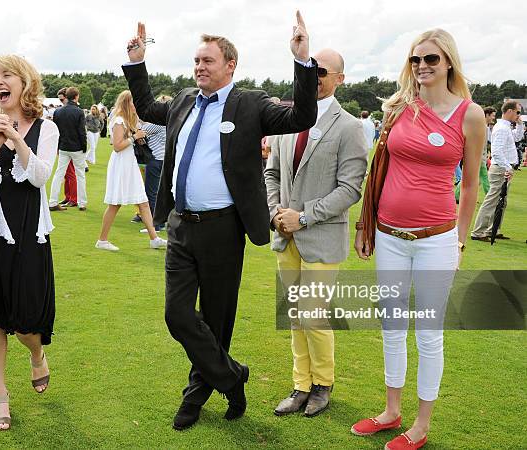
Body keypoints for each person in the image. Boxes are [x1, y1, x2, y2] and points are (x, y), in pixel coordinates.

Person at [122, 11, 317, 430]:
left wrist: (302, 61)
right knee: (177, 314)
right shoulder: (182, 102)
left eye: (208, 61)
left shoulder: (251, 104)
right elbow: (143, 106)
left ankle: (195, 397)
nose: (199, 68)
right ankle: (232, 377)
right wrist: (137, 63)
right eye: (196, 61)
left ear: (231, 65)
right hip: (180, 225)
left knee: (217, 319)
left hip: (224, 229)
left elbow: (301, 117)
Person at [352, 29, 485, 450]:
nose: (422, 66)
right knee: (392, 327)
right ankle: (392, 412)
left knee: (428, 332)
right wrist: (365, 225)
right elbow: (379, 173)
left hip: (436, 239)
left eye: (430, 59)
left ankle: (421, 425)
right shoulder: (396, 109)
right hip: (390, 236)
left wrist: (460, 242)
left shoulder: (470, 114)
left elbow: (469, 187)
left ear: (448, 62)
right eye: (415, 60)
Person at [265, 47, 368, 418]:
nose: (316, 75)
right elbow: (271, 174)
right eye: (311, 69)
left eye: (323, 70)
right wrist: (275, 210)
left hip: (321, 237)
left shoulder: (350, 126)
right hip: (285, 235)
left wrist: (303, 217)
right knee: (295, 314)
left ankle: (322, 384)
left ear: (340, 79)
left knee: (312, 313)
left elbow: (350, 189)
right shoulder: (287, 120)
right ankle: (300, 386)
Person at [0, 54, 59, 431]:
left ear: (25, 82)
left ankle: (36, 355)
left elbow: (39, 178)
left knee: (25, 322)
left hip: (27, 231)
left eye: (6, 76)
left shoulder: (46, 129)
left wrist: (16, 139)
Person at [96, 90, 166, 251]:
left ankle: (154, 238)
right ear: (127, 103)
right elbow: (117, 147)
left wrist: (136, 137)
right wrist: (134, 137)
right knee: (115, 203)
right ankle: (102, 240)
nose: (138, 106)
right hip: (121, 164)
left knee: (144, 203)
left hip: (129, 163)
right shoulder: (119, 120)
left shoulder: (127, 120)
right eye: (135, 103)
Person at [471, 101, 523, 242]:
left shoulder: (504, 127)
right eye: (518, 112)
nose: (519, 115)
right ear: (510, 111)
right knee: (492, 200)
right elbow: (496, 152)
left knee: (501, 201)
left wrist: (519, 124)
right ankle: (479, 231)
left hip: (503, 167)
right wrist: (507, 167)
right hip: (501, 168)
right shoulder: (501, 128)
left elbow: (518, 137)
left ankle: (492, 229)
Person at [48, 86, 87, 211]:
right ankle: (82, 203)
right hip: (76, 148)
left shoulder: (58, 111)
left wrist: (58, 147)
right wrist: (84, 147)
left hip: (63, 147)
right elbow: (82, 132)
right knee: (80, 175)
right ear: (76, 97)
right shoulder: (79, 112)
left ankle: (53, 201)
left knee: (59, 174)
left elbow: (56, 132)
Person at [139, 94, 172, 233]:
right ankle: (161, 222)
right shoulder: (170, 121)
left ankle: (155, 224)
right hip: (164, 159)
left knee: (151, 193)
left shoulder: (157, 123)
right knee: (160, 192)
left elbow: (139, 132)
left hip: (155, 160)